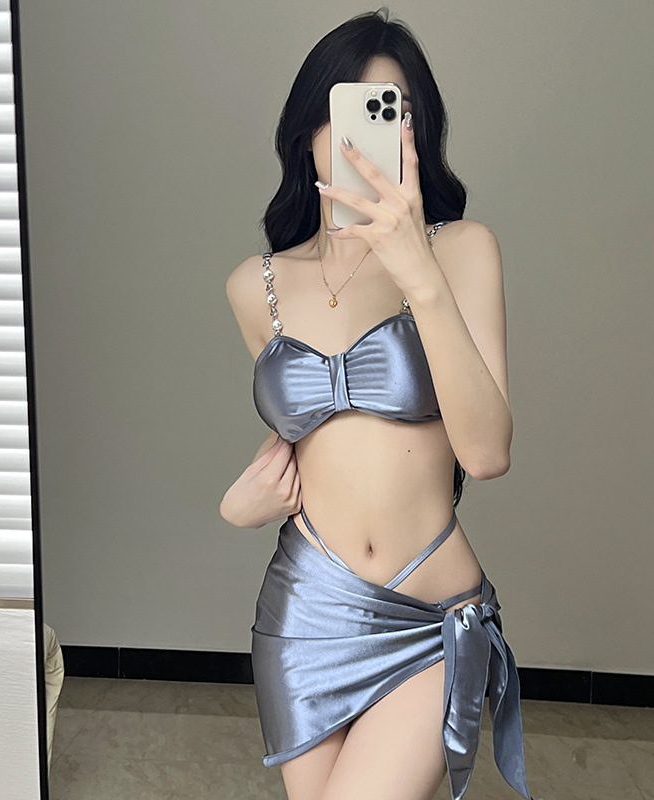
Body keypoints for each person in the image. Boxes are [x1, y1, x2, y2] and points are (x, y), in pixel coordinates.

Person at [221, 8, 538, 800]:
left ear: (417, 135)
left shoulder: (462, 250)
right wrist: (236, 505)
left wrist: (417, 271)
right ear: (308, 131)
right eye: (349, 112)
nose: (367, 140)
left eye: (391, 114)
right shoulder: (255, 285)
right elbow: (311, 444)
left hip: (430, 619)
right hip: (306, 613)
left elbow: (486, 453)